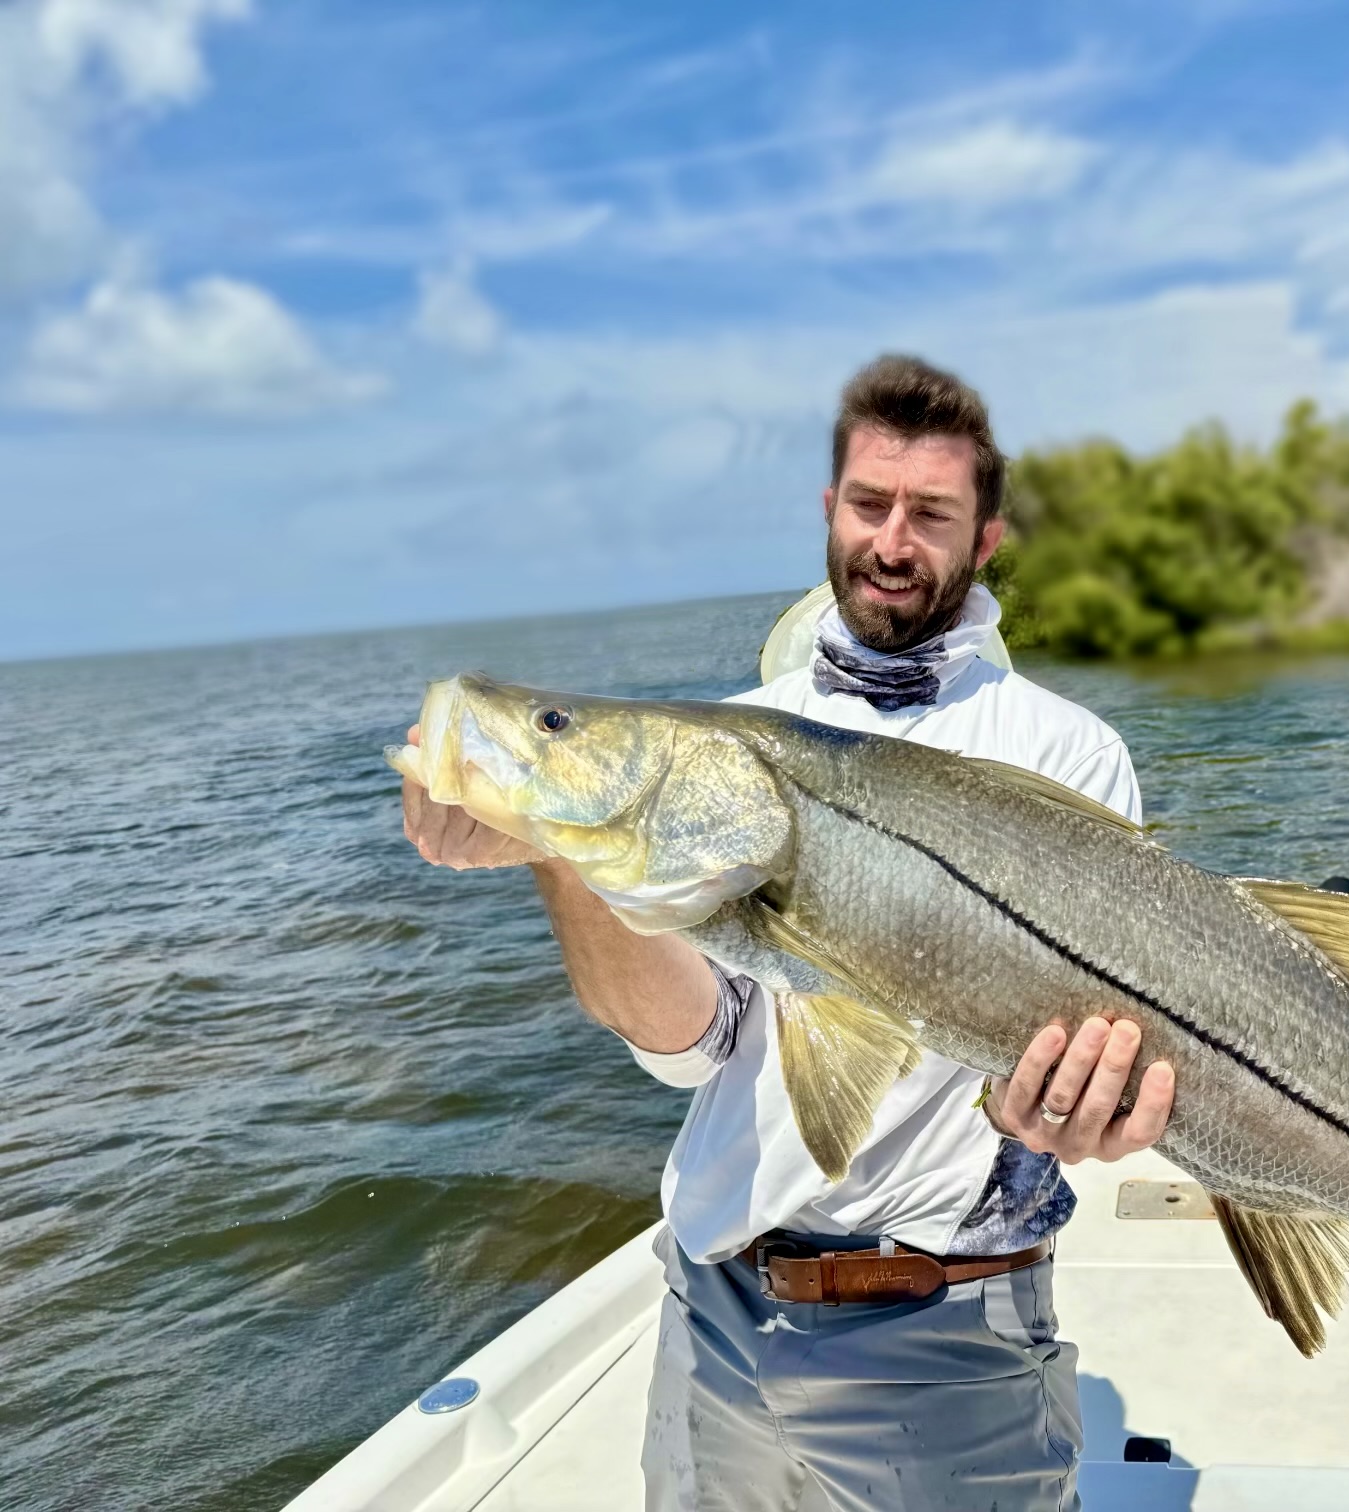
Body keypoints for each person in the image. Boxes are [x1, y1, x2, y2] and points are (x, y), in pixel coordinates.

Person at [400, 354, 1176, 1512]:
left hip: (947, 1325)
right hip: (714, 1308)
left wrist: (1074, 1119)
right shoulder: (740, 740)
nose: (893, 541)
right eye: (871, 505)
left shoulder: (1066, 752)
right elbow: (687, 1044)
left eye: (932, 514)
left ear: (989, 537)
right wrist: (550, 844)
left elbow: (1082, 1073)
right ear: (830, 510)